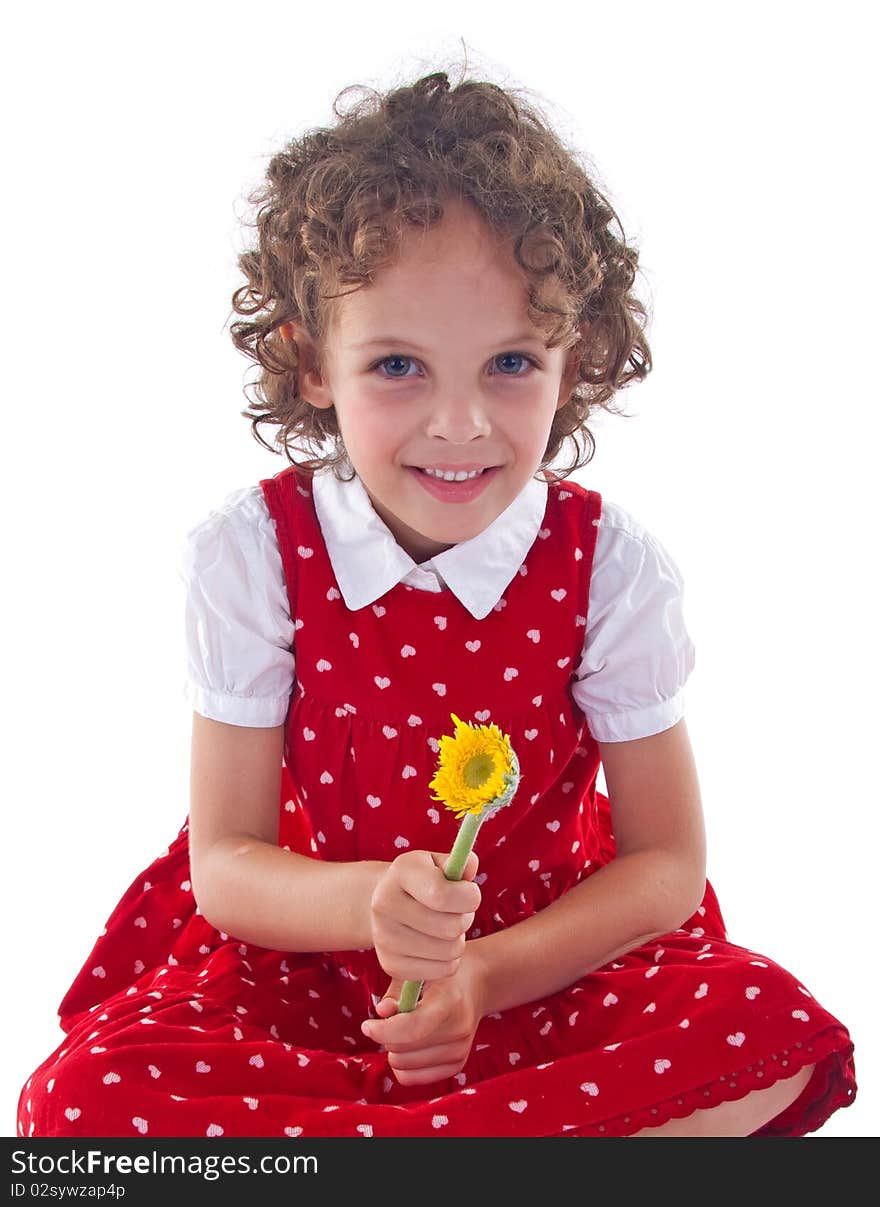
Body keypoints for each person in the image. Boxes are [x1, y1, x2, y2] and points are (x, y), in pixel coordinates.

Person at [17, 68, 856, 1139]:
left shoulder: (608, 566)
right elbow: (225, 864)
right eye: (399, 366)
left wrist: (485, 975)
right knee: (79, 1103)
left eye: (509, 362)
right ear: (311, 361)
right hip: (308, 970)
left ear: (575, 356)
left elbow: (664, 867)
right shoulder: (253, 554)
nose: (459, 425)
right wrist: (368, 906)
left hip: (544, 962)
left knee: (764, 1028)